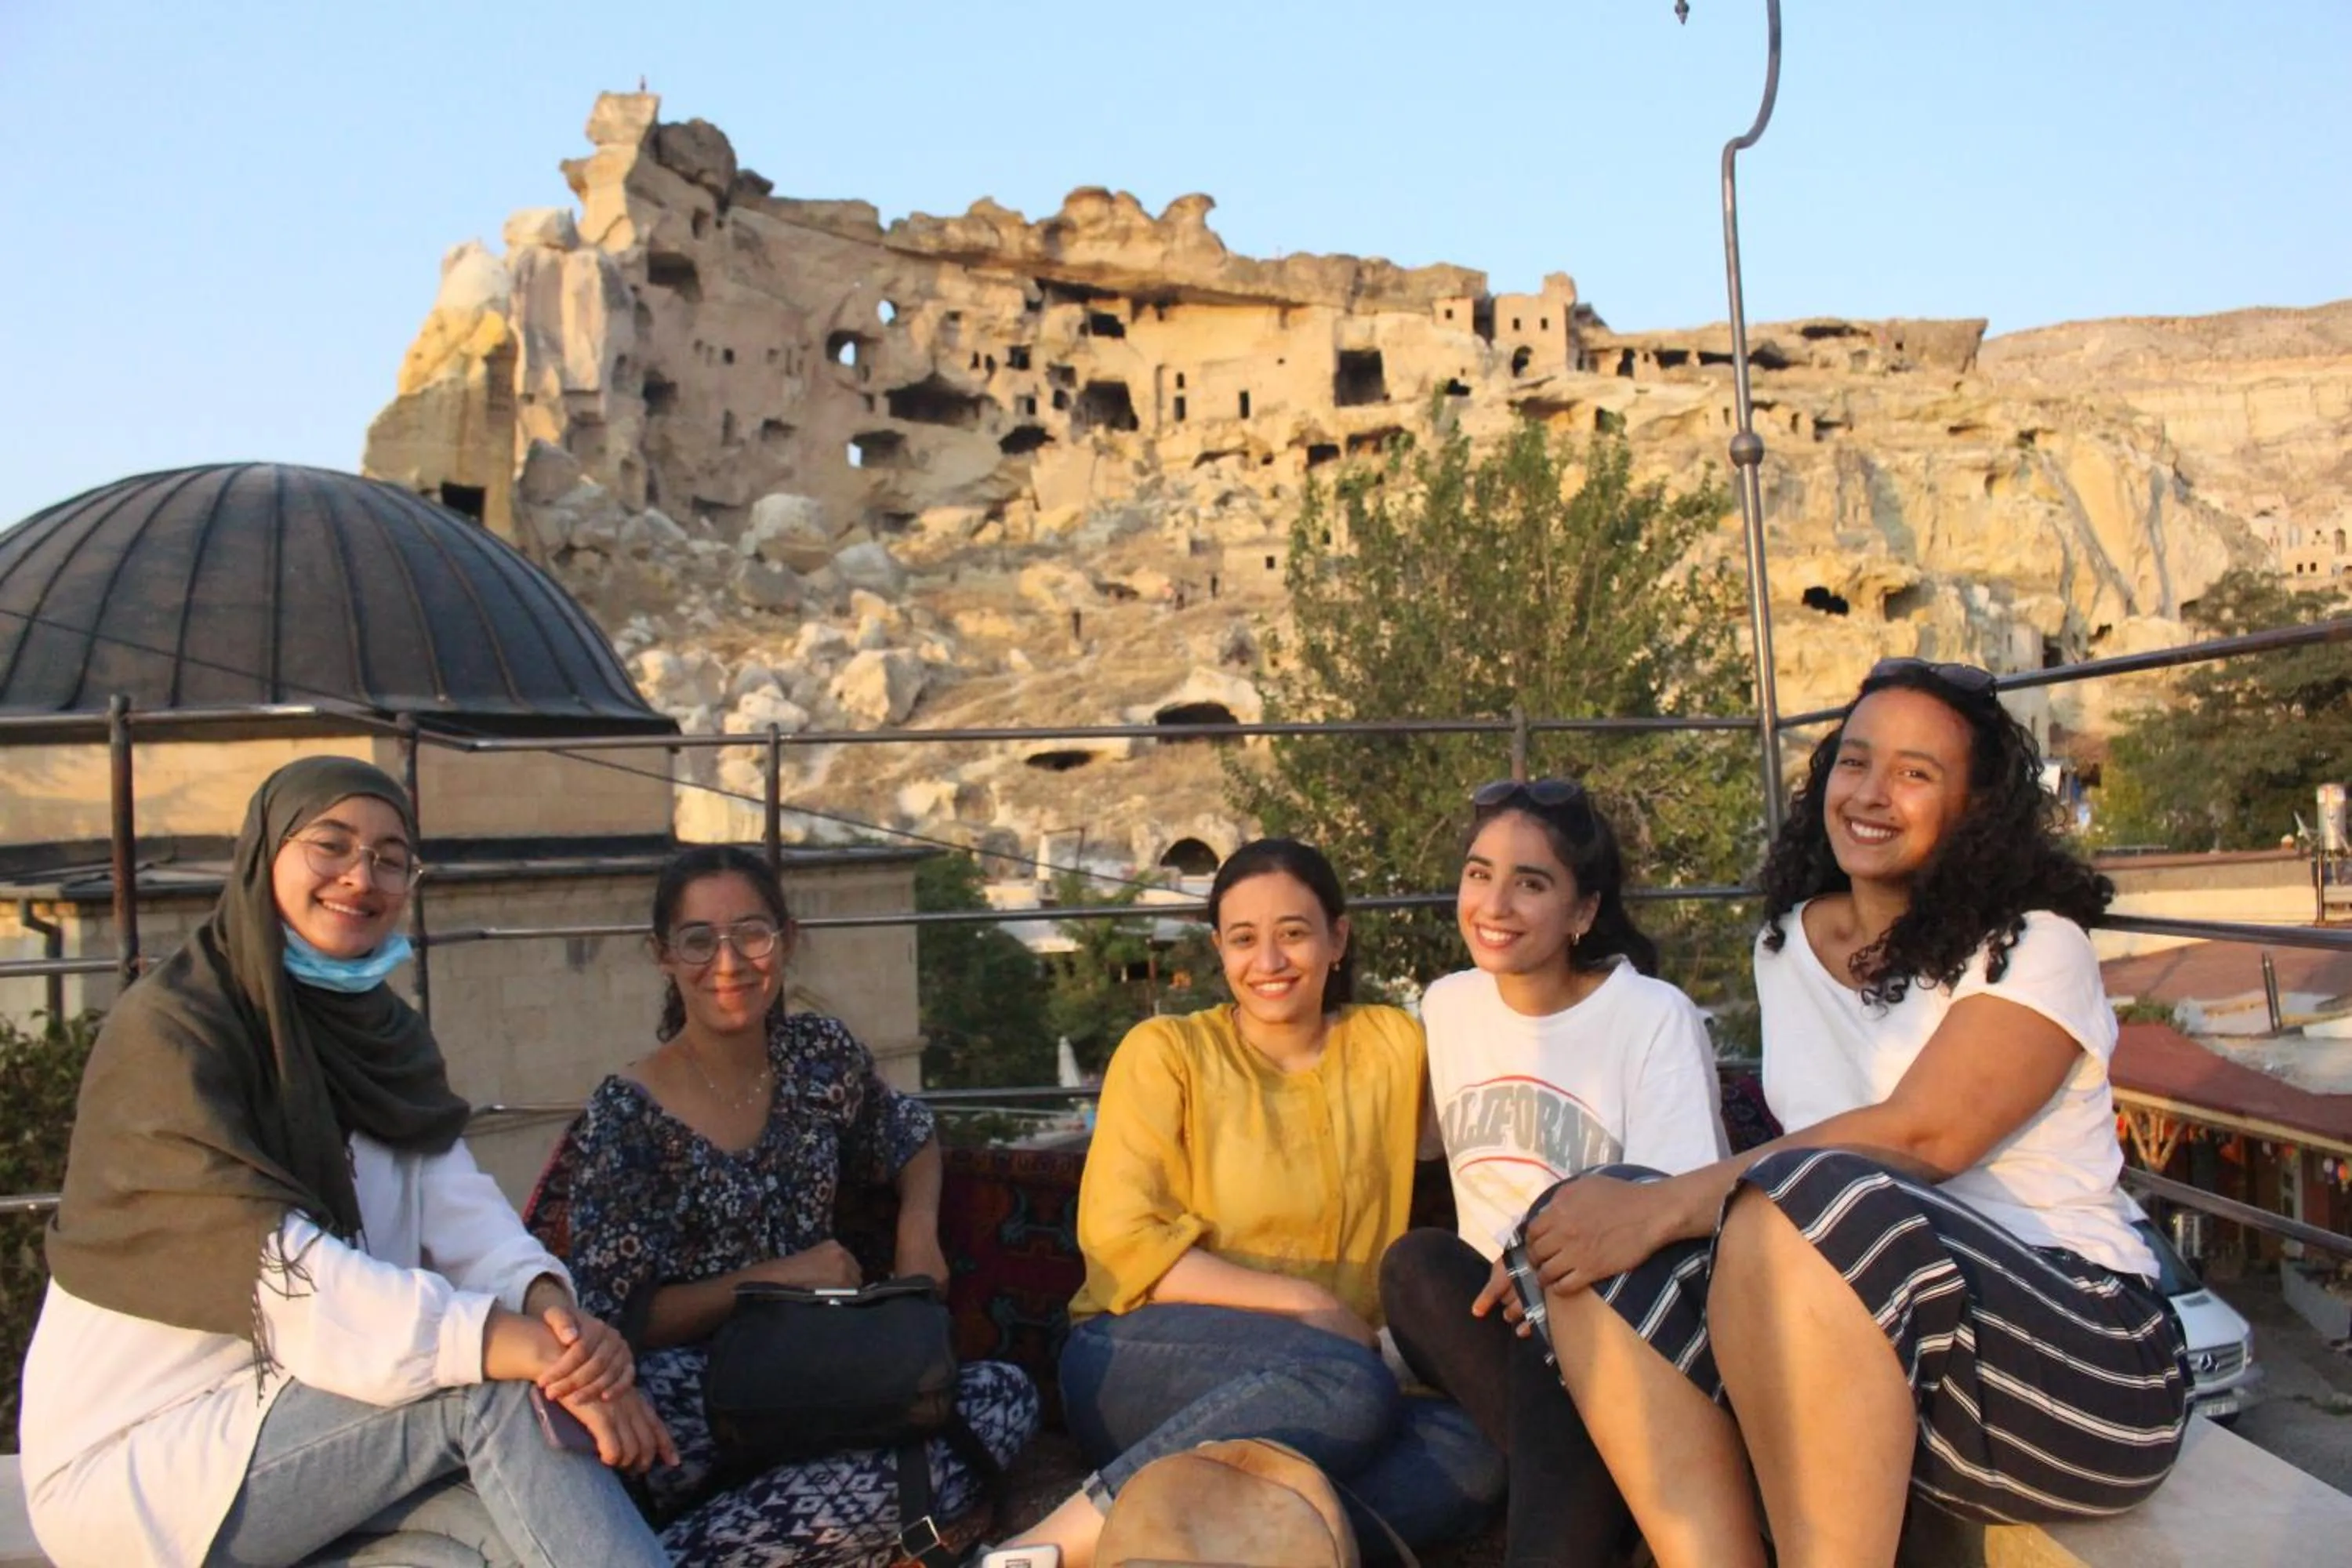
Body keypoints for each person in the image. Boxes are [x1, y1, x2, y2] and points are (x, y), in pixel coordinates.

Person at [1492, 660, 2188, 1567]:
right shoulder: (1786, 945)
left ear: (1976, 807)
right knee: (1582, 1217)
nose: (1871, 792)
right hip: (1884, 1346)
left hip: (2081, 1363)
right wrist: (1601, 1217)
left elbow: (1924, 1134)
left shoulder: (2034, 944)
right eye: (1854, 761)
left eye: (1915, 772)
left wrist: (1664, 1206)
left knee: (1803, 1193)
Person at [19, 756, 670, 1568]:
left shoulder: (381, 1039)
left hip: (311, 1421)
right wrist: (519, 1347)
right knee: (492, 1389)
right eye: (330, 845)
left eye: (391, 859)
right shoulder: (177, 1034)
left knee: (493, 1539)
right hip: (149, 1457)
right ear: (265, 855)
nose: (361, 877)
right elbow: (290, 1284)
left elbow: (463, 1213)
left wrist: (554, 1318)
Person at [1000, 839, 1504, 1568]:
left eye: (1293, 933)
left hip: (1334, 1380)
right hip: (1145, 1356)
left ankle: (1201, 1542)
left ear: (1338, 938)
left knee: (1474, 1454)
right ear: (1219, 949)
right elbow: (1122, 1244)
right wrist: (1308, 1306)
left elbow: (1495, 1094)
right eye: (1243, 939)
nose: (1268, 961)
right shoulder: (1168, 1052)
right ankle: (1033, 1550)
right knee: (1347, 1386)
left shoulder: (1391, 1045)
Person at [557, 844, 1038, 1567]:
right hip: (701, 1393)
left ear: (786, 939)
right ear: (663, 955)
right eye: (699, 939)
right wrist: (774, 1280)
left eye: (752, 933)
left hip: (823, 1363)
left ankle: (699, 1547)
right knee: (634, 1417)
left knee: (1005, 1396)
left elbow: (908, 1136)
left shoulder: (819, 1056)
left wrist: (917, 1232)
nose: (729, 963)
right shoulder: (628, 1115)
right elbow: (619, 1319)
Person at [1380, 778, 1727, 1568]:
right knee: (1415, 1266)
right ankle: (1634, 1506)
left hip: (1613, 1312)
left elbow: (1676, 1210)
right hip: (1489, 1314)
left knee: (1555, 1339)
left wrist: (1544, 1266)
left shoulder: (1651, 1016)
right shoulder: (1449, 1005)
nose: (1494, 904)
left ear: (1583, 911)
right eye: (1479, 873)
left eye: (1530, 884)